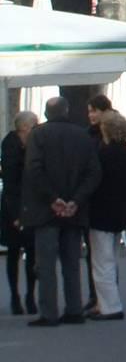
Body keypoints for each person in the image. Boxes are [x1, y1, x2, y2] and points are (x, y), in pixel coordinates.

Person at [20, 95, 101, 327]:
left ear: (46, 113)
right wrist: (75, 200)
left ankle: (49, 312)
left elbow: (34, 169)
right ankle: (74, 309)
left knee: (45, 264)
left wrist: (53, 198)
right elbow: (93, 172)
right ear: (67, 111)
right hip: (74, 210)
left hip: (45, 210)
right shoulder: (82, 135)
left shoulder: (38, 135)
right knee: (71, 262)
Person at [86, 111, 126, 321]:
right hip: (119, 210)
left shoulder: (103, 154)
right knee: (110, 258)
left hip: (101, 212)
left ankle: (110, 306)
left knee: (101, 261)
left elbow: (94, 181)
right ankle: (106, 303)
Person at [2, 111, 39, 316]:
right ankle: (15, 296)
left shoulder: (33, 144)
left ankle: (30, 296)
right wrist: (16, 214)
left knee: (32, 252)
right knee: (14, 251)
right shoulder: (10, 146)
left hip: (31, 204)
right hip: (13, 205)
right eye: (34, 125)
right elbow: (10, 184)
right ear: (24, 127)